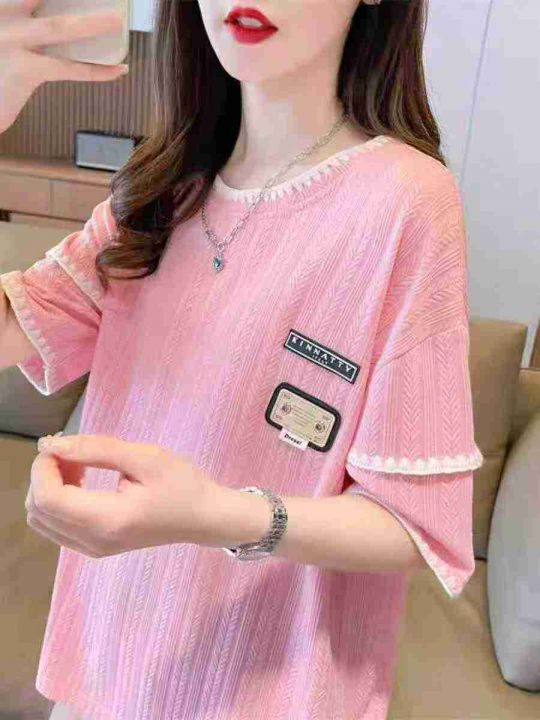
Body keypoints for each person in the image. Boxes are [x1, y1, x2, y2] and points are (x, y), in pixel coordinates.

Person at [0, 1, 484, 719]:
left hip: (266, 693)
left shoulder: (407, 203)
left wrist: (215, 515)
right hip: (108, 669)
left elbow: (414, 523)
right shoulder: (161, 186)